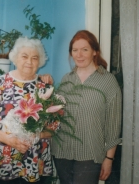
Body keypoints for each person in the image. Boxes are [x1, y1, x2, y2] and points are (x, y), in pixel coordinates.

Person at [0, 37, 56, 184]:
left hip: (35, 162)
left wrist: (38, 135)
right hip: (5, 161)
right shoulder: (1, 83)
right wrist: (10, 140)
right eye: (24, 56)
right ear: (15, 57)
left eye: (34, 58)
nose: (29, 62)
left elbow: (54, 126)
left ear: (40, 61)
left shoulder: (44, 87)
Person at [51, 30, 122, 184]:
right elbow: (56, 113)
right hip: (62, 151)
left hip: (90, 154)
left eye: (85, 50)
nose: (79, 55)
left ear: (95, 52)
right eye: (75, 50)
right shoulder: (66, 79)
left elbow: (113, 124)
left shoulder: (108, 82)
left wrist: (109, 158)